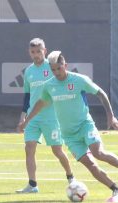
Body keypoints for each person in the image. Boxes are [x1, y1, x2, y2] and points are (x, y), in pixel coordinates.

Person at [18, 50, 118, 202]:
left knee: (98, 153)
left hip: (85, 126)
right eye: (53, 70)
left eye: (59, 68)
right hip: (69, 135)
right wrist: (26, 120)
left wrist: (110, 116)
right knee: (90, 165)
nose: (56, 72)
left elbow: (100, 93)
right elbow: (41, 104)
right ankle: (116, 190)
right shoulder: (49, 85)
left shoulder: (79, 80)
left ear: (65, 65)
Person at [15, 39, 74, 194]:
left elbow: (64, 84)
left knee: (57, 150)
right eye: (33, 52)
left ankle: (71, 178)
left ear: (44, 51)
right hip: (33, 118)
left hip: (52, 117)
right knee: (29, 148)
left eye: (38, 52)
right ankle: (32, 185)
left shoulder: (53, 66)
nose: (36, 55)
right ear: (29, 52)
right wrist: (23, 117)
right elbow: (27, 97)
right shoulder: (28, 71)